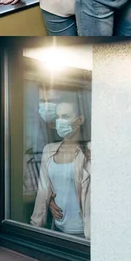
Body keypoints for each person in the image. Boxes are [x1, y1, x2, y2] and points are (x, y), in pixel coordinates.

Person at [30, 100, 91, 240]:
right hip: (57, 230)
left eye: (66, 116)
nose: (60, 122)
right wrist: (48, 203)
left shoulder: (90, 152)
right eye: (58, 117)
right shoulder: (49, 150)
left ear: (80, 119)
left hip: (85, 235)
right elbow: (43, 191)